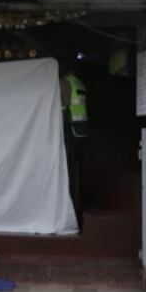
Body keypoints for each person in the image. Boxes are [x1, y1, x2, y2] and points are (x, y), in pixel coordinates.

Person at [59, 59, 88, 216]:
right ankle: (73, 206)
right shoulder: (79, 83)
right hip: (81, 130)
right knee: (73, 169)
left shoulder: (64, 83)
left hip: (70, 129)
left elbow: (57, 102)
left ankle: (67, 209)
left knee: (67, 171)